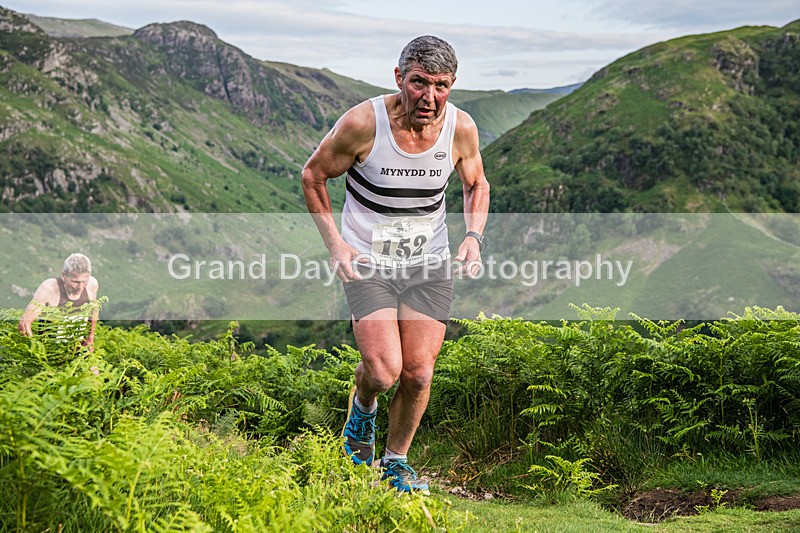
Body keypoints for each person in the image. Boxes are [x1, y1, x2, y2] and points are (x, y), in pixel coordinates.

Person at [301, 35, 489, 492]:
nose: (430, 97)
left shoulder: (460, 128)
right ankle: (362, 408)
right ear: (399, 77)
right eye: (419, 82)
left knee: (419, 372)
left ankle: (395, 462)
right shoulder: (364, 123)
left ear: (452, 84)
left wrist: (473, 236)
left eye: (441, 86)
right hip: (369, 263)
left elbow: (476, 183)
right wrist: (336, 245)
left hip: (428, 263)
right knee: (384, 372)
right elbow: (313, 175)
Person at [18, 253, 100, 350]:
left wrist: (90, 338)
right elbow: (24, 323)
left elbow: (94, 309)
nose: (80, 287)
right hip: (51, 352)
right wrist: (36, 351)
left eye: (85, 281)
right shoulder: (49, 288)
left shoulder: (92, 285)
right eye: (75, 282)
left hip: (78, 350)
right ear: (64, 275)